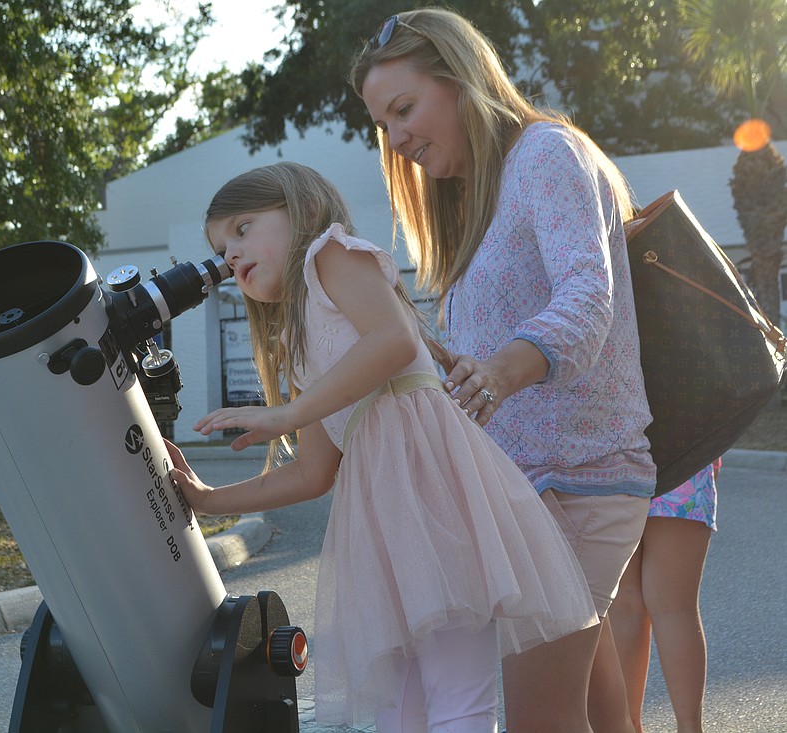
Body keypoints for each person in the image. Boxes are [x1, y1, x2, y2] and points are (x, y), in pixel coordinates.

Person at [165, 161, 599, 733]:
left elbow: (393, 340)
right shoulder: (298, 340)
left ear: (301, 210)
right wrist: (206, 499)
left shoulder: (329, 254)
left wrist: (289, 412)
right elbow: (314, 472)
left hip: (434, 499)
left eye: (243, 229)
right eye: (222, 249)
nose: (231, 256)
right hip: (388, 527)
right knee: (401, 712)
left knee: (456, 697)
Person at [349, 8, 656, 733]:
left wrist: (501, 373)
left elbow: (589, 291)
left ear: (461, 82)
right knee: (598, 715)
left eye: (404, 109)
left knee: (541, 721)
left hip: (574, 480)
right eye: (383, 126)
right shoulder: (481, 201)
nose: (397, 139)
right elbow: (503, 330)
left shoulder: (546, 153)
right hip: (533, 490)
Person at [610, 459, 721, 733]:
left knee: (624, 607)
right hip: (684, 462)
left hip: (615, 466)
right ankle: (689, 727)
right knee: (675, 609)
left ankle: (628, 726)